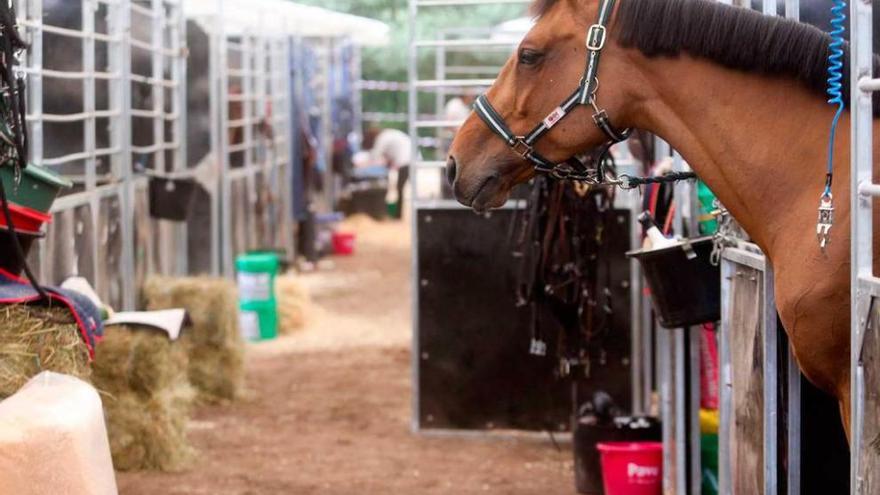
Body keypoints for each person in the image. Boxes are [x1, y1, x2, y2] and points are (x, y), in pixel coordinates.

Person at [362, 126, 412, 219]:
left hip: (405, 161)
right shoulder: (388, 134)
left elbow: (375, 156)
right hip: (410, 158)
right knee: (401, 188)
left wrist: (363, 164)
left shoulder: (381, 138)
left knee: (399, 188)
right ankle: (397, 213)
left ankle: (398, 215)